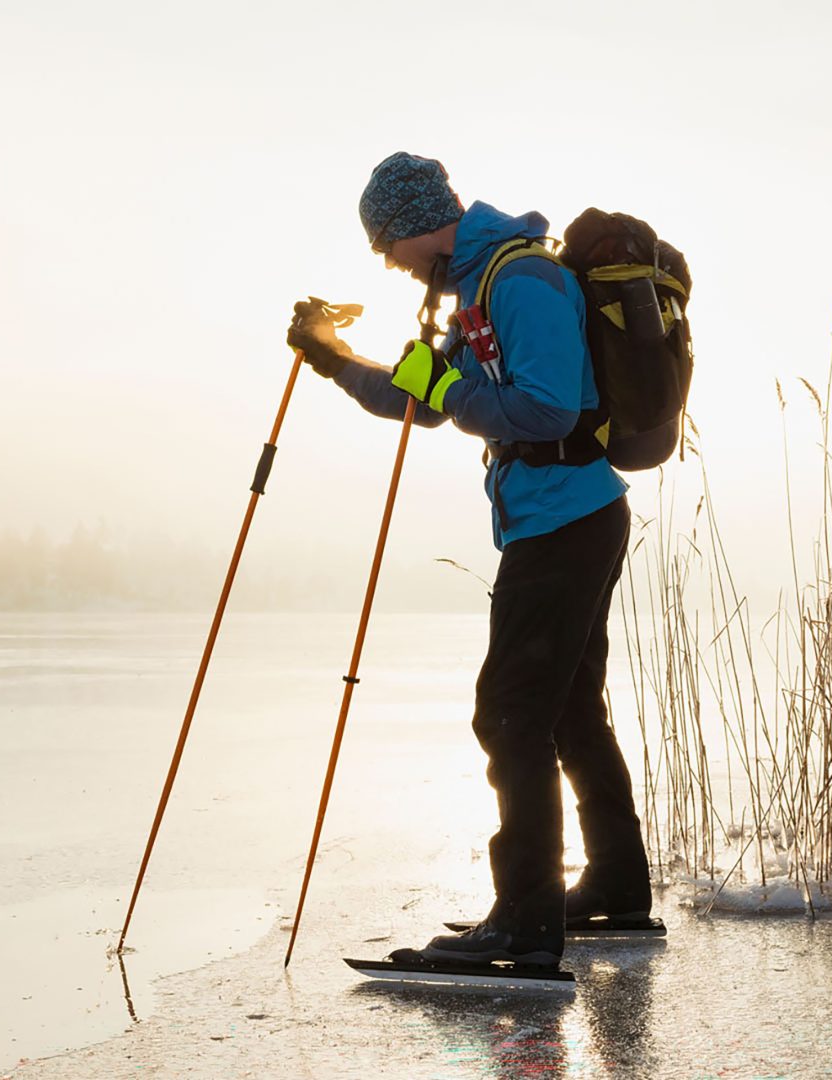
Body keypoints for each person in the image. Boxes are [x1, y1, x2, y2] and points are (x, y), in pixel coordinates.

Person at [287, 152, 652, 970]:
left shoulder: (521, 282)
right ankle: (617, 890)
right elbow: (418, 399)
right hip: (560, 518)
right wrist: (334, 358)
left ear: (421, 222)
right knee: (567, 711)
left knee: (511, 713)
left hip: (566, 520)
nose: (388, 263)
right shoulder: (479, 290)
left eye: (388, 244)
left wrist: (448, 392)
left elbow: (544, 406)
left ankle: (523, 924)